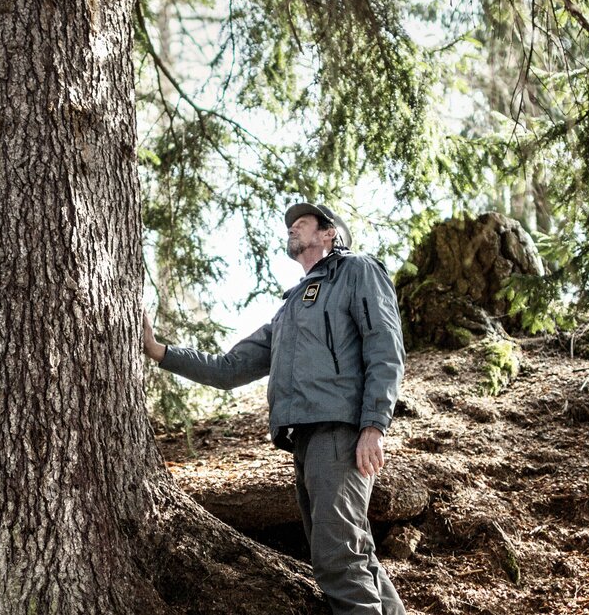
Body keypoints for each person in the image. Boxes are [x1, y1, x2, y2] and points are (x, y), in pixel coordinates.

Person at [142, 202, 407, 615]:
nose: (291, 228)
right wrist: (161, 352)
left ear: (328, 233)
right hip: (304, 440)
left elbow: (384, 347)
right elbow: (230, 368)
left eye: (301, 223)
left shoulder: (357, 271)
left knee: (338, 558)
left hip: (340, 432)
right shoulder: (289, 310)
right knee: (354, 554)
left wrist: (374, 424)